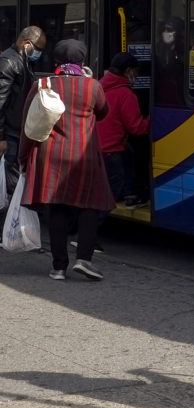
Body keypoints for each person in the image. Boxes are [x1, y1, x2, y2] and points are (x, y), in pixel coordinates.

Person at [19, 39, 114, 281]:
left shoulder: (42, 84)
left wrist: (22, 156)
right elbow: (103, 113)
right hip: (84, 154)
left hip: (50, 154)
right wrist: (89, 79)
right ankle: (83, 259)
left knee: (57, 207)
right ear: (82, 61)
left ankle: (58, 267)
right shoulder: (92, 86)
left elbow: (28, 125)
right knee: (89, 205)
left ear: (56, 60)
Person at [0, 26, 46, 199]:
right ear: (27, 43)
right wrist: (1, 138)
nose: (40, 53)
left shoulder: (23, 60)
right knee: (11, 186)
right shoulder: (9, 62)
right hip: (9, 135)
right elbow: (1, 102)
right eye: (39, 48)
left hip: (16, 133)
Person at [98, 52, 149, 206]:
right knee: (112, 193)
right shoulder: (126, 94)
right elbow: (137, 128)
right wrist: (154, 120)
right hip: (112, 150)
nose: (137, 76)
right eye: (136, 72)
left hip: (96, 148)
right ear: (128, 71)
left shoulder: (99, 86)